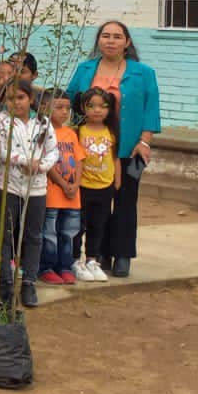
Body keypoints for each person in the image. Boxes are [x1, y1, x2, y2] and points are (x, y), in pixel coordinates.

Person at [65, 20, 160, 278]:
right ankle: (99, 254)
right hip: (92, 149)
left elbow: (151, 109)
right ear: (98, 41)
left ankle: (123, 255)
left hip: (132, 149)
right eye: (105, 35)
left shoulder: (144, 72)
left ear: (127, 42)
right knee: (93, 203)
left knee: (126, 201)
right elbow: (70, 100)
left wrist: (145, 141)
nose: (111, 40)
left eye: (117, 36)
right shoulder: (85, 69)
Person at [0, 80, 58, 307]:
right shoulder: (1, 122)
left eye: (20, 97)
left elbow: (52, 151)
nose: (15, 103)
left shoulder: (43, 123)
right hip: (7, 185)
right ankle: (5, 283)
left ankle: (28, 283)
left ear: (30, 99)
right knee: (5, 234)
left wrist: (41, 165)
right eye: (10, 98)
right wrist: (24, 161)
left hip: (36, 187)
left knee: (33, 235)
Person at [40, 90, 86, 287]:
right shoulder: (43, 133)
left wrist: (75, 184)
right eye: (59, 107)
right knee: (49, 233)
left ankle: (65, 267)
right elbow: (47, 163)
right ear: (44, 108)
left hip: (72, 196)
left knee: (68, 232)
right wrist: (62, 183)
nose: (64, 112)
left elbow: (79, 159)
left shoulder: (71, 133)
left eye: (67, 108)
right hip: (53, 193)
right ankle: (47, 267)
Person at [73, 88, 118, 283]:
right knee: (78, 226)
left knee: (97, 226)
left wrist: (117, 180)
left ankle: (92, 259)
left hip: (104, 187)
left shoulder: (111, 132)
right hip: (83, 186)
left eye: (102, 106)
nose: (97, 110)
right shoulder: (79, 131)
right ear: (83, 108)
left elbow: (114, 157)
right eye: (92, 106)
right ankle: (76, 261)